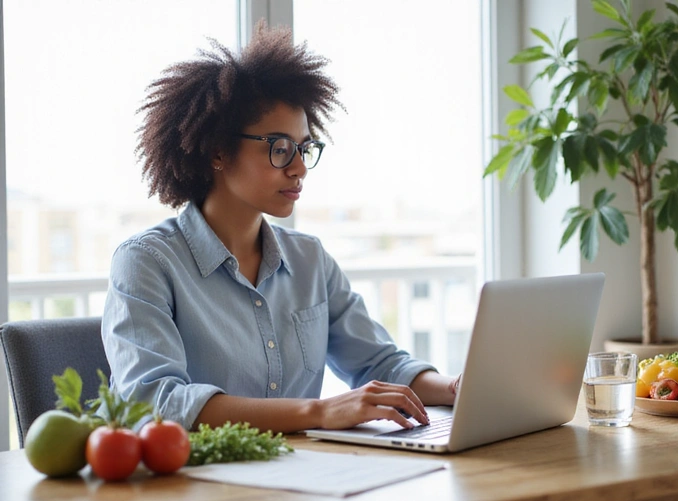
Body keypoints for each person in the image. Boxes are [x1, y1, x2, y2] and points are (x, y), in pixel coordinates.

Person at [101, 22, 460, 435]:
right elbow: (156, 403)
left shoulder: (310, 260)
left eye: (304, 148)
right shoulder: (146, 263)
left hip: (308, 468)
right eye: (280, 148)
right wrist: (318, 412)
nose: (300, 167)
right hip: (202, 475)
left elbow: (382, 365)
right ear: (218, 152)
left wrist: (458, 388)